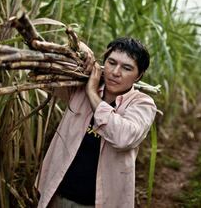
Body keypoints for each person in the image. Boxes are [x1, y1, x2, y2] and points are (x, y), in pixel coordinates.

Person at [35, 37, 157, 207]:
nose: (115, 72)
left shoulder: (142, 104)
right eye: (111, 63)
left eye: (127, 68)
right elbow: (44, 68)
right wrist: (79, 48)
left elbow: (124, 137)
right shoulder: (78, 87)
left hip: (99, 202)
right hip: (56, 194)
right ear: (103, 63)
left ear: (139, 76)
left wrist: (92, 92)